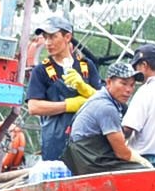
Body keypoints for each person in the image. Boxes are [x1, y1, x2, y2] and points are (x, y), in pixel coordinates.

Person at [24, 12, 100, 164]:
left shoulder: (87, 66)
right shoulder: (41, 70)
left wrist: (87, 91)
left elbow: (102, 101)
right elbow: (34, 106)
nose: (47, 42)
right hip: (55, 140)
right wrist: (68, 105)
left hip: (87, 140)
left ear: (67, 37)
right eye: (45, 38)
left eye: (53, 37)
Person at [63, 62, 147, 175]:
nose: (128, 90)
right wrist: (143, 162)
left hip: (93, 158)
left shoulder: (101, 99)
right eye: (123, 83)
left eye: (132, 85)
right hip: (92, 161)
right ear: (108, 82)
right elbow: (122, 153)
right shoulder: (106, 107)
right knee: (142, 172)